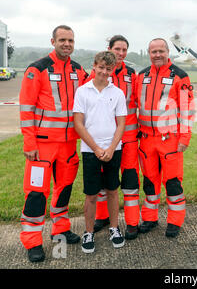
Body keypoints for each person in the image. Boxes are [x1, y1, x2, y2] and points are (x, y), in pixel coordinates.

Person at [19, 25, 88, 262]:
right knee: (37, 193)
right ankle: (32, 241)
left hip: (69, 146)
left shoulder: (79, 70)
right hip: (42, 147)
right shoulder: (37, 69)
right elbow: (26, 109)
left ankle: (60, 229)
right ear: (53, 41)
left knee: (64, 190)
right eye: (62, 40)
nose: (66, 44)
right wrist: (29, 143)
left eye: (70, 40)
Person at [134, 38, 195, 238]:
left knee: (172, 183)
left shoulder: (180, 75)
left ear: (168, 52)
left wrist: (185, 137)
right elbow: (134, 103)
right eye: (154, 51)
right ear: (148, 53)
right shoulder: (141, 76)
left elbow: (187, 109)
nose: (157, 55)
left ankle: (175, 221)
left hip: (170, 139)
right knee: (150, 182)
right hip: (146, 140)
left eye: (161, 51)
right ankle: (150, 219)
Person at [73, 51, 127, 253]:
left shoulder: (117, 93)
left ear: (112, 70)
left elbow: (121, 123)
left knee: (113, 191)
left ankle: (114, 228)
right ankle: (88, 232)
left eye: (108, 69)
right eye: (101, 67)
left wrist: (111, 148)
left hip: (113, 149)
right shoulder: (82, 91)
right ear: (94, 66)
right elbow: (78, 123)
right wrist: (96, 148)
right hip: (90, 150)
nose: (104, 72)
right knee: (91, 194)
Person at [87, 35, 140, 240]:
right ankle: (102, 218)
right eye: (117, 49)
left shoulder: (132, 74)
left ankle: (132, 222)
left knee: (129, 179)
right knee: (104, 181)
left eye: (124, 49)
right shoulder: (99, 72)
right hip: (105, 138)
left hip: (127, 137)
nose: (121, 53)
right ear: (109, 49)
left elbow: (136, 100)